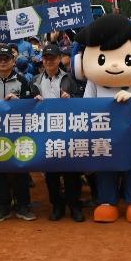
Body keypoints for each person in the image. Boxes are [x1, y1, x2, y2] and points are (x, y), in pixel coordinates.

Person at [0, 43, 39, 222]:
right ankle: (2, 206)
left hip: (18, 132)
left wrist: (19, 101)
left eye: (7, 59)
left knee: (21, 169)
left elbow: (29, 104)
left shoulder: (22, 80)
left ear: (13, 61)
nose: (3, 62)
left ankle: (23, 206)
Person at [33, 43, 85, 222]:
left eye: (52, 58)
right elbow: (26, 104)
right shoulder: (35, 80)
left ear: (59, 59)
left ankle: (74, 205)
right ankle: (57, 206)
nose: (49, 61)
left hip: (68, 131)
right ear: (42, 60)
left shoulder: (70, 79)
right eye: (46, 58)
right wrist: (34, 100)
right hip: (45, 132)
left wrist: (70, 98)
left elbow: (82, 101)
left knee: (72, 172)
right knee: (52, 173)